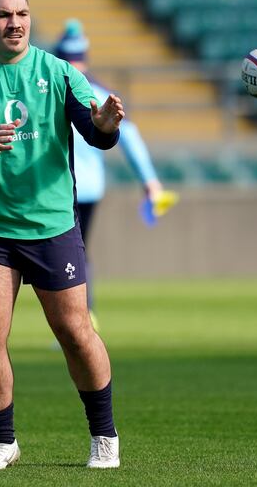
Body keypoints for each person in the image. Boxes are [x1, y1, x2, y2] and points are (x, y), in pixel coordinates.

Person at [0, 0, 123, 469]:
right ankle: (3, 440)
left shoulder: (60, 73)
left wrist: (105, 126)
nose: (14, 22)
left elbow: (94, 132)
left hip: (52, 225)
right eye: (1, 15)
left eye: (21, 13)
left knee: (74, 330)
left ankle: (104, 435)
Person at [53, 19, 177, 328]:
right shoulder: (101, 91)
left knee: (66, 254)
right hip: (91, 187)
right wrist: (149, 181)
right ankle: (80, 314)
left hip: (60, 186)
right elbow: (130, 137)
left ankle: (78, 317)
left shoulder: (52, 88)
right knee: (77, 250)